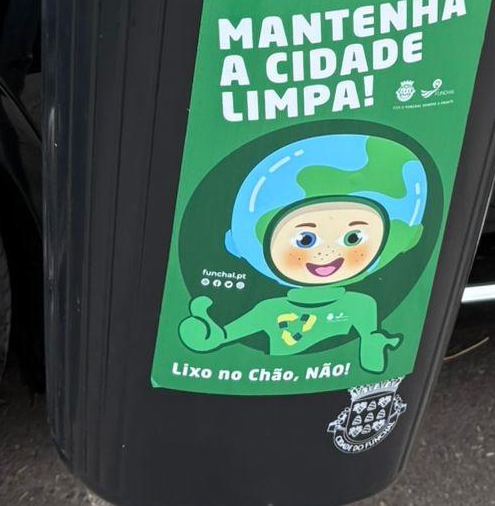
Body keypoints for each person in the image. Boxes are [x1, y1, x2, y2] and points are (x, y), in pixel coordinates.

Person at [178, 133, 428, 375]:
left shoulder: (361, 305)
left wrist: (375, 348)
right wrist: (205, 334)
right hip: (269, 382)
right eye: (305, 239)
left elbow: (371, 358)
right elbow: (222, 337)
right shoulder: (269, 310)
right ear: (248, 243)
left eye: (354, 238)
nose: (328, 252)